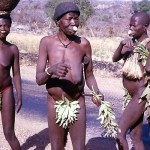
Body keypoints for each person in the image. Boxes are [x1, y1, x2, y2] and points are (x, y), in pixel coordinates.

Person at [36, 2, 103, 150]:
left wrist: (96, 92)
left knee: (79, 148)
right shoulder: (46, 43)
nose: (74, 23)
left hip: (77, 102)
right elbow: (39, 79)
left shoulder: (84, 44)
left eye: (77, 19)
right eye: (69, 18)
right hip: (55, 103)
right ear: (57, 21)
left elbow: (90, 75)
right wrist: (50, 70)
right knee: (57, 147)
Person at [112, 11, 150, 150]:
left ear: (145, 26)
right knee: (135, 137)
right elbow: (115, 58)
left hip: (140, 94)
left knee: (119, 132)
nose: (131, 28)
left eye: (134, 26)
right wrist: (122, 45)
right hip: (131, 96)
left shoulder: (148, 45)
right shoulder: (129, 43)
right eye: (130, 25)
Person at [0, 13, 22, 150]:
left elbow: (16, 73)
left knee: (9, 133)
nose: (3, 28)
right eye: (0, 25)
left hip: (6, 89)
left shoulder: (12, 49)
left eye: (6, 26)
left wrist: (19, 95)